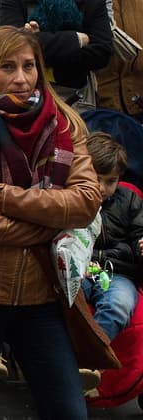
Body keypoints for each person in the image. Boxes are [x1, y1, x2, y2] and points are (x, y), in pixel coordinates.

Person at [0, 27, 100, 420]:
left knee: (69, 411)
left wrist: (7, 197)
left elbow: (86, 202)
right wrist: (50, 222)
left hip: (42, 294)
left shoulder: (64, 123)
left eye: (29, 66)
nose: (21, 78)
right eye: (7, 67)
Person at [83, 133, 143, 343]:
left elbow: (138, 235)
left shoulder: (129, 200)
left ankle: (92, 357)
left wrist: (141, 247)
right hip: (76, 271)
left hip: (114, 274)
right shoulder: (71, 197)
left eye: (110, 181)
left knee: (118, 304)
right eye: (95, 178)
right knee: (58, 305)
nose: (102, 187)